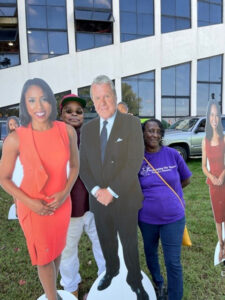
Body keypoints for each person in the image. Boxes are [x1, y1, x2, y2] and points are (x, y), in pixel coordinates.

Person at [0, 78, 79, 300]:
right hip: (33, 207)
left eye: (43, 99)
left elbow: (74, 166)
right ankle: (53, 298)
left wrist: (64, 193)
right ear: (25, 105)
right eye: (32, 100)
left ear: (51, 102)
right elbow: (4, 178)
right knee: (43, 257)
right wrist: (30, 202)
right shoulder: (15, 139)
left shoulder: (67, 132)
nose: (39, 105)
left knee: (55, 250)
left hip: (61, 204)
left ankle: (53, 291)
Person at [80, 75, 149, 300]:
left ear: (115, 96)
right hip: (98, 200)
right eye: (97, 98)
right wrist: (97, 192)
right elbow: (83, 166)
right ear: (93, 100)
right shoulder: (88, 129)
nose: (102, 102)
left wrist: (112, 191)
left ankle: (134, 280)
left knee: (129, 242)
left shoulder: (131, 123)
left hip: (125, 197)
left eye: (106, 96)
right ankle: (111, 270)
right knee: (105, 239)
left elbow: (134, 160)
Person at [138, 119, 191, 300]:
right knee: (150, 253)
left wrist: (170, 197)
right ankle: (159, 285)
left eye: (157, 131)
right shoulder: (137, 159)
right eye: (149, 131)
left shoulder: (172, 154)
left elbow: (186, 179)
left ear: (161, 134)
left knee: (173, 262)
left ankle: (175, 296)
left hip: (173, 218)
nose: (153, 134)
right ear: (143, 133)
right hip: (147, 219)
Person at [59, 93, 105, 298]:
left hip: (95, 205)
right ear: (61, 114)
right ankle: (71, 290)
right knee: (68, 251)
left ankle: (105, 285)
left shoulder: (91, 135)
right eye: (69, 111)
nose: (74, 115)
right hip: (69, 207)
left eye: (78, 111)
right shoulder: (56, 136)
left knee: (103, 246)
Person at [202, 100, 225, 261]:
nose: (214, 118)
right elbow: (203, 166)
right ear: (208, 117)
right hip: (213, 184)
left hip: (224, 180)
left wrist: (222, 177)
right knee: (218, 216)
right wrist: (212, 177)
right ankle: (221, 244)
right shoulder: (205, 141)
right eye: (211, 114)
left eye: (216, 114)